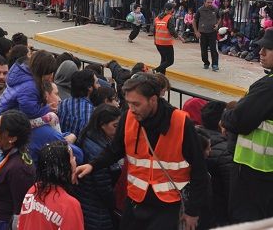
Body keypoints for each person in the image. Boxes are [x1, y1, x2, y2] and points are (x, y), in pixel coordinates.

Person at [75, 73, 208, 230]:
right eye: (129, 103)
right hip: (136, 202)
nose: (131, 109)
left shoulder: (181, 123)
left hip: (168, 207)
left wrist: (192, 212)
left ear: (153, 100)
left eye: (136, 104)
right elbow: (115, 150)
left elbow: (199, 171)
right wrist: (92, 165)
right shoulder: (128, 118)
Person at [220, 28, 273, 223]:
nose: (261, 52)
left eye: (268, 48)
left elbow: (239, 121)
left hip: (253, 173)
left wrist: (225, 115)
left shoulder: (267, 86)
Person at [18, 141, 85, 230]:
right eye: (72, 157)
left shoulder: (33, 190)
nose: (75, 159)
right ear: (64, 166)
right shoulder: (70, 205)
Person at [75, 104, 122, 230]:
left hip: (87, 202)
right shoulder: (98, 151)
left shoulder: (88, 135)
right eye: (115, 126)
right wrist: (117, 204)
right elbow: (104, 188)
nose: (118, 130)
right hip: (98, 210)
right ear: (102, 124)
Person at [58, 69, 99, 138]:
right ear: (89, 87)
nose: (99, 86)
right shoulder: (89, 110)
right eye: (97, 83)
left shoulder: (63, 104)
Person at [193, 0, 221, 71]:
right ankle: (206, 63)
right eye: (208, 2)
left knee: (213, 49)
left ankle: (215, 64)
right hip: (203, 33)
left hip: (212, 32)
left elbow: (219, 18)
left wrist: (217, 25)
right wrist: (196, 32)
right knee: (203, 50)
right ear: (204, 2)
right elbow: (194, 21)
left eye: (211, 2)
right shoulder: (200, 10)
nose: (210, 4)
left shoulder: (215, 9)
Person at [153, 2, 178, 74]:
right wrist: (177, 37)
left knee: (164, 59)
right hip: (166, 43)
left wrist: (155, 40)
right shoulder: (170, 18)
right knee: (170, 61)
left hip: (158, 43)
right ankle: (155, 70)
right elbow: (172, 31)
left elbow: (154, 30)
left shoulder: (157, 18)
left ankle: (162, 75)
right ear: (172, 9)